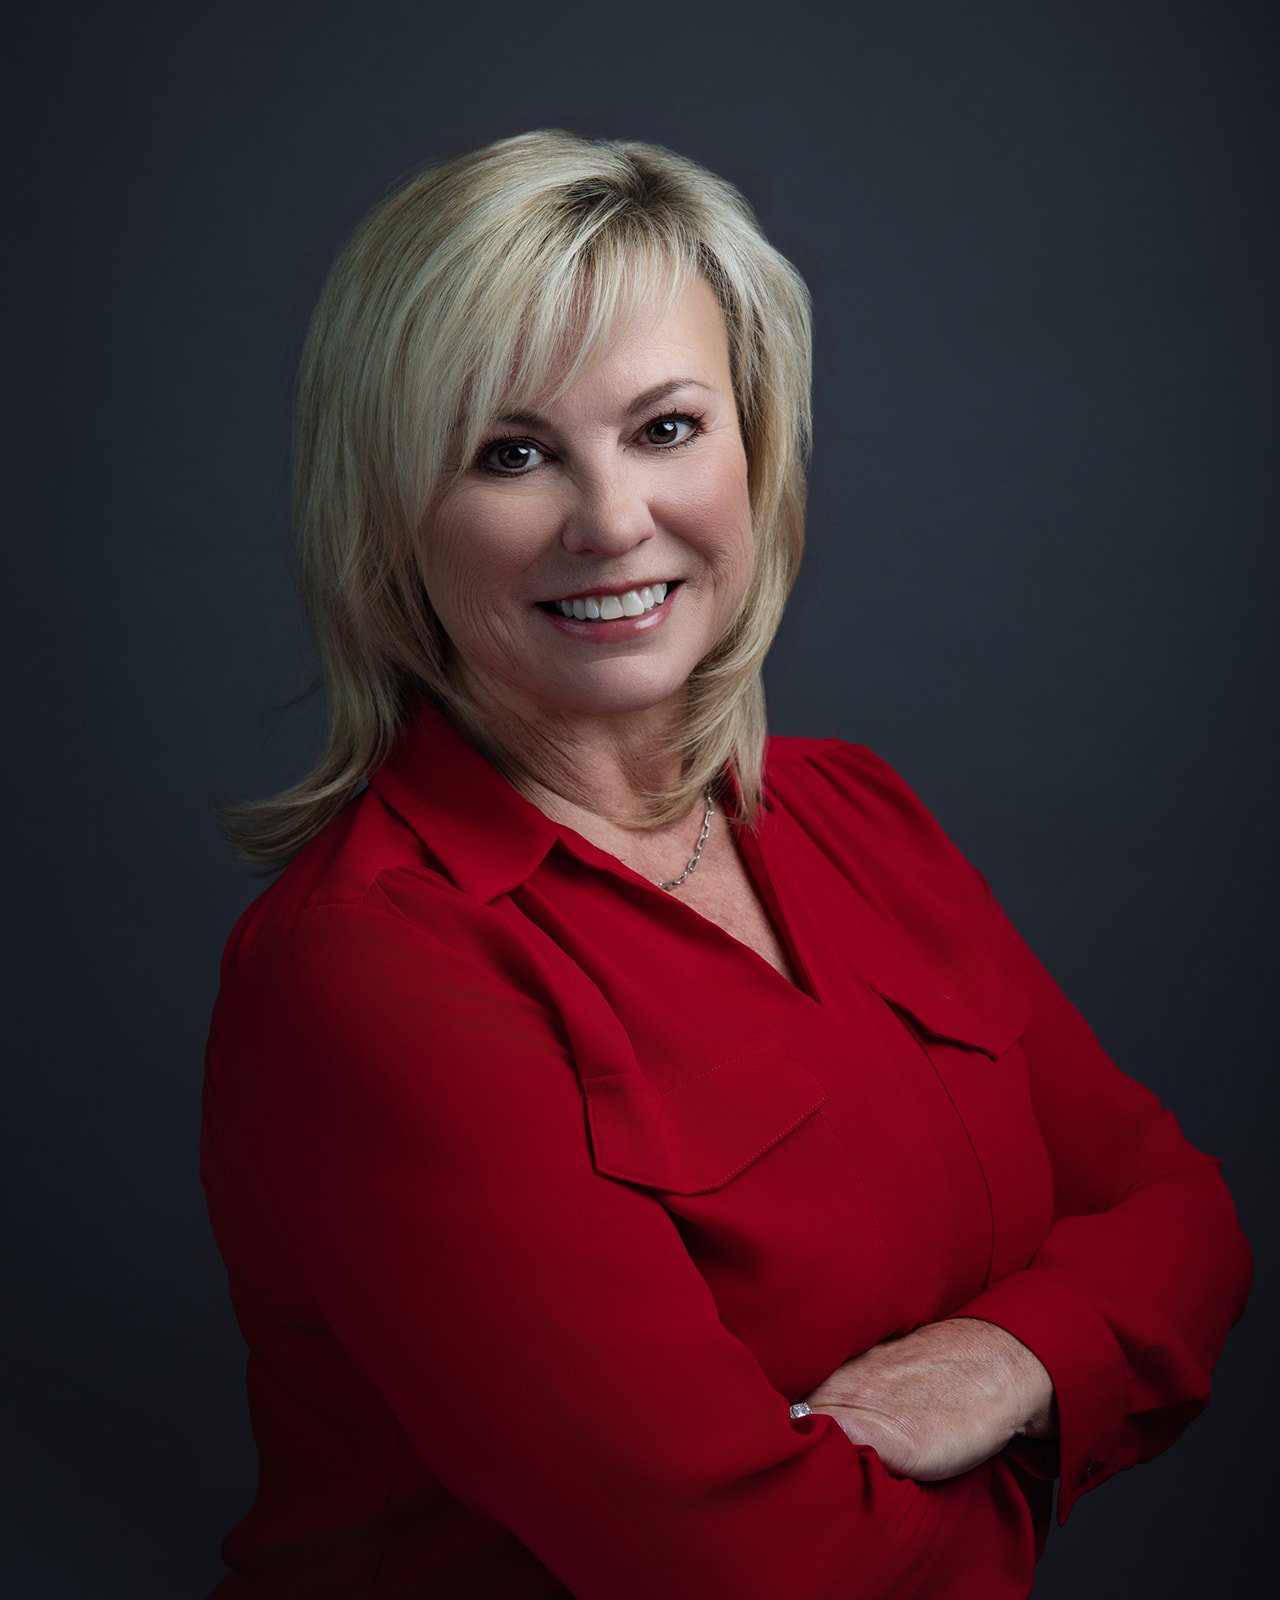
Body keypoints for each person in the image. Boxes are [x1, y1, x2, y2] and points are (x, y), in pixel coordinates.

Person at [201, 128, 1252, 1599]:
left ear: (756, 447)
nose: (614, 520)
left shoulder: (854, 815)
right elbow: (754, 1575)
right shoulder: (370, 971)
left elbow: (1182, 1214)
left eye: (668, 427)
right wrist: (1068, 1420)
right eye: (512, 454)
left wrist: (1018, 1357)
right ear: (388, 522)